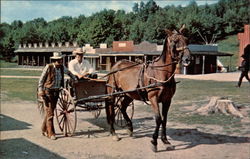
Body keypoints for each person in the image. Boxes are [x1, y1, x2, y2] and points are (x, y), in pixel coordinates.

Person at [38, 52, 77, 140]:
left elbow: (69, 73)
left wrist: (74, 79)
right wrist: (40, 91)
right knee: (50, 113)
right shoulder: (49, 67)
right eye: (57, 60)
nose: (58, 62)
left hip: (57, 92)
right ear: (54, 60)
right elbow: (41, 80)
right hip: (48, 92)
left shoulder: (62, 68)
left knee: (50, 111)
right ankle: (50, 133)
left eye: (60, 60)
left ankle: (43, 128)